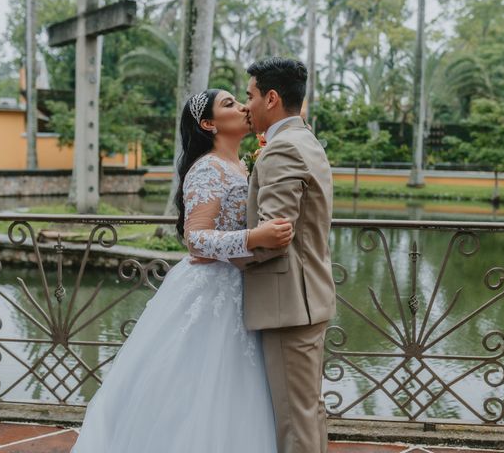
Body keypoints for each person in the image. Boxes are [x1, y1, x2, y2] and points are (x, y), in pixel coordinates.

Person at [71, 88, 291, 452]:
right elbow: (196, 239)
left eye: (240, 99)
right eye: (229, 104)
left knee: (238, 390)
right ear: (208, 124)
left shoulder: (242, 164)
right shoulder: (208, 168)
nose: (241, 107)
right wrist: (254, 237)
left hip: (241, 286)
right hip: (210, 292)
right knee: (199, 389)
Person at [234, 57, 337, 453]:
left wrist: (219, 252)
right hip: (306, 298)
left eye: (251, 95)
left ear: (272, 98)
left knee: (295, 421)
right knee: (306, 411)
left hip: (289, 304)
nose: (247, 106)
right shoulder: (305, 139)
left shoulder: (282, 150)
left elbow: (273, 236)